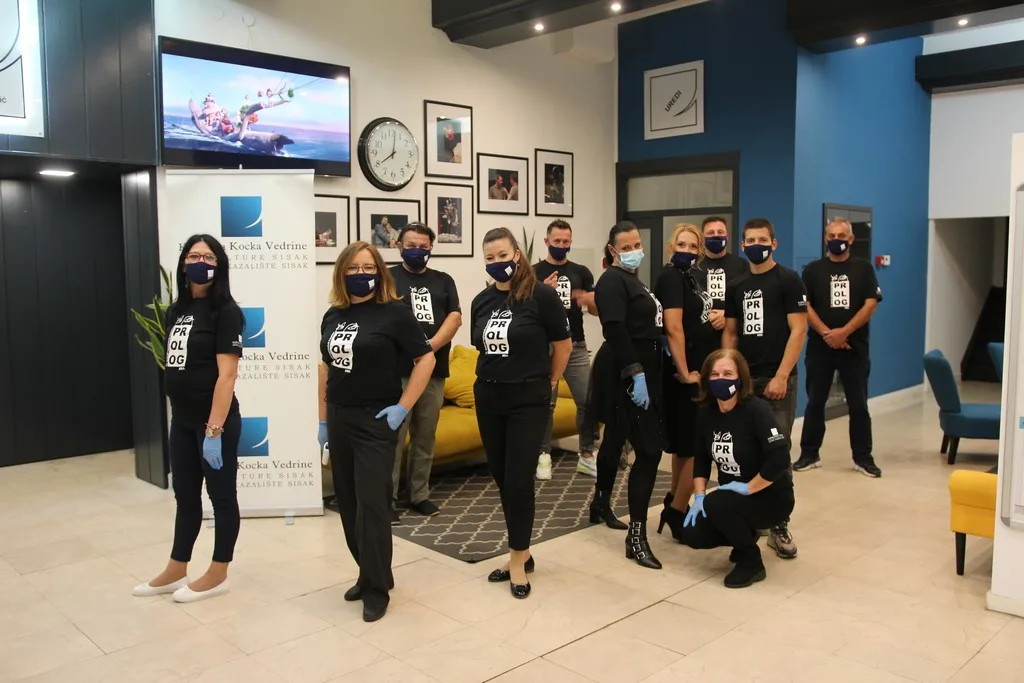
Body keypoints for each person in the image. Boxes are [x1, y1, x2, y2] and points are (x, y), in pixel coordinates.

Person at [317, 242, 436, 622]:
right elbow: (326, 369)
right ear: (342, 273)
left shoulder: (394, 313)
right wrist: (323, 420)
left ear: (380, 272)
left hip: (376, 420)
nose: (361, 273)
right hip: (339, 417)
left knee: (372, 504)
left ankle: (377, 589)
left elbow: (426, 358)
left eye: (368, 267)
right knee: (349, 503)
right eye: (353, 267)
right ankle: (369, 572)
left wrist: (403, 406)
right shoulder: (333, 315)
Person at [133, 235, 244, 604]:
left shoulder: (225, 312)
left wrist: (214, 430)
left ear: (219, 266)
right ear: (183, 264)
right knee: (185, 496)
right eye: (194, 256)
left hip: (213, 425)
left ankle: (218, 572)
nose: (201, 262)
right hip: (181, 422)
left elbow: (227, 376)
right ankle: (177, 567)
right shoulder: (176, 311)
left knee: (222, 497)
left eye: (209, 257)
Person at [472, 227, 572, 599]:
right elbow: (482, 347)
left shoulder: (541, 296)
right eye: (490, 258)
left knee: (518, 481)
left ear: (517, 254)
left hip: (528, 398)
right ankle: (523, 551)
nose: (497, 262)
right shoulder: (482, 301)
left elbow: (563, 345)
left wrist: (551, 382)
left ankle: (517, 559)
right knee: (501, 476)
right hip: (488, 395)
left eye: (503, 255)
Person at [723, 218, 807, 560]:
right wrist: (729, 373)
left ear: (774, 243)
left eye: (763, 239)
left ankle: (779, 524)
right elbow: (731, 333)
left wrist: (782, 376)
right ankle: (751, 517)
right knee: (745, 451)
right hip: (745, 381)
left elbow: (798, 330)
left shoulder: (788, 280)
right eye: (751, 240)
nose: (757, 245)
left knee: (777, 452)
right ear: (742, 245)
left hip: (777, 380)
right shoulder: (737, 285)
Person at [677, 349, 795, 588]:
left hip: (771, 495)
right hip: (734, 498)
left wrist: (749, 488)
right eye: (715, 374)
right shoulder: (706, 413)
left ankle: (751, 562)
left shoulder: (757, 410)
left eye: (728, 373)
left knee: (717, 503)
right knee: (692, 532)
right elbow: (701, 458)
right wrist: (699, 497)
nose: (721, 379)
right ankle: (744, 537)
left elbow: (780, 458)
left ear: (741, 377)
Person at [588, 221, 667, 569]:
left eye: (637, 243)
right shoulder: (611, 281)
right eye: (627, 246)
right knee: (649, 450)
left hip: (644, 365)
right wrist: (636, 373)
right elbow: (615, 329)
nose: (635, 250)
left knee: (616, 438)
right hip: (626, 369)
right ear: (612, 250)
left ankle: (600, 501)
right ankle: (636, 537)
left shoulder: (634, 280)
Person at [796, 218, 883, 477]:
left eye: (841, 236)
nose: (836, 240)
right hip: (820, 349)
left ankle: (863, 458)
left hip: (854, 349)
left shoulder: (864, 269)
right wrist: (827, 333)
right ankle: (809, 454)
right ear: (825, 239)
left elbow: (870, 304)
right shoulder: (813, 270)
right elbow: (805, 306)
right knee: (815, 403)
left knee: (859, 406)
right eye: (832, 236)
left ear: (851, 239)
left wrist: (843, 332)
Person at [389, 223, 463, 522]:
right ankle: (387, 498)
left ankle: (419, 495)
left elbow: (455, 318)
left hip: (433, 370)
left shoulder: (444, 280)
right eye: (410, 245)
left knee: (425, 435)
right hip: (397, 371)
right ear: (399, 246)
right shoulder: (387, 278)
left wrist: (427, 348)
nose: (417, 251)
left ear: (431, 248)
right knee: (394, 436)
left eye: (423, 246)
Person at [654, 224, 717, 537]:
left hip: (698, 367)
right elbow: (673, 327)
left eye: (694, 246)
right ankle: (678, 512)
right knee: (699, 446)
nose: (688, 251)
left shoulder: (691, 277)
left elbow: (696, 316)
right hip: (687, 372)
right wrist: (684, 370)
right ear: (671, 247)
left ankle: (674, 502)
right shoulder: (670, 277)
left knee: (684, 446)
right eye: (682, 245)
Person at [533, 219, 600, 479]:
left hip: (575, 345)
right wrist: (543, 291)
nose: (561, 245)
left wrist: (590, 300)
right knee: (545, 403)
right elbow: (524, 309)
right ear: (546, 241)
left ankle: (586, 454)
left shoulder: (581, 271)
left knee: (587, 400)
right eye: (556, 241)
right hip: (544, 347)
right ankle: (543, 455)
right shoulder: (534, 272)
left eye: (565, 241)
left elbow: (595, 311)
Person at [693, 216, 748, 348]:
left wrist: (728, 317)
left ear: (727, 236)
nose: (716, 235)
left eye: (720, 232)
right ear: (702, 238)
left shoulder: (742, 266)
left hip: (734, 343)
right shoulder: (693, 267)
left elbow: (748, 301)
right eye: (711, 233)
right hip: (700, 343)